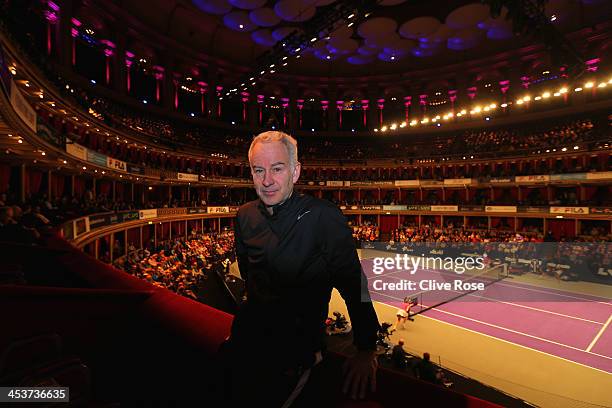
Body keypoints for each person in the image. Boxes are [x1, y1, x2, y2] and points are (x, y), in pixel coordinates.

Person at [220, 131, 380, 407]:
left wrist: (366, 349)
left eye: (277, 169)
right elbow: (250, 276)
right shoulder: (244, 215)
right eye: (259, 170)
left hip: (295, 358)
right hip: (244, 345)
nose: (267, 180)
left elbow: (354, 285)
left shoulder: (324, 217)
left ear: (295, 172)